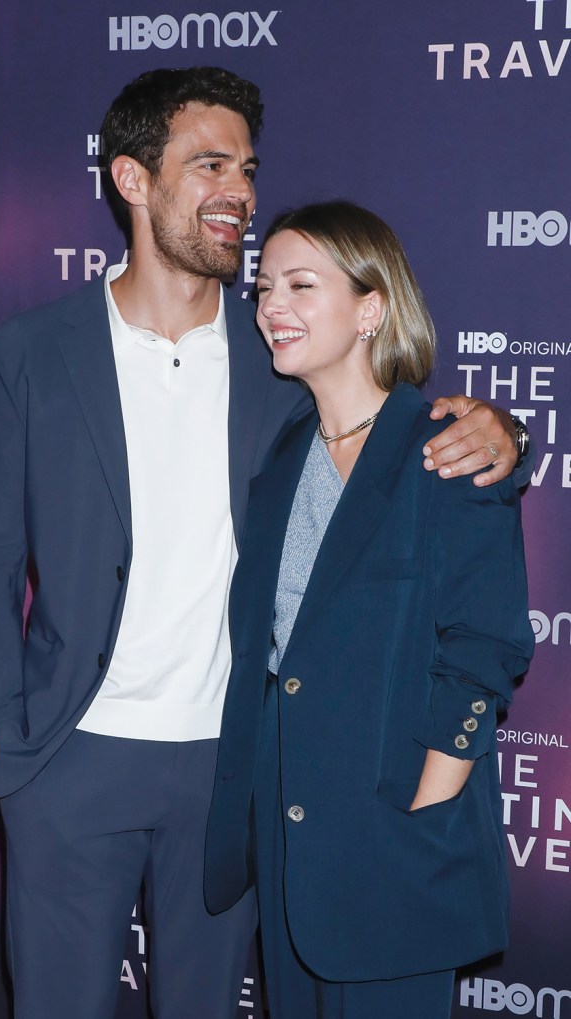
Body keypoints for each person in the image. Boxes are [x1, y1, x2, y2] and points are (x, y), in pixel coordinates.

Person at [0, 66, 528, 1019]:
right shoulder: (30, 354)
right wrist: (3, 744)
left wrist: (507, 436)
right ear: (132, 181)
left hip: (233, 770)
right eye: (209, 164)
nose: (240, 194)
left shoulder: (278, 362)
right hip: (68, 759)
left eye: (248, 169)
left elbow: (398, 425)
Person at [204, 200, 534, 1019]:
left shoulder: (446, 445)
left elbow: (484, 644)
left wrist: (427, 799)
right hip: (288, 822)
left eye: (301, 284)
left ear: (371, 308)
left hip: (394, 820)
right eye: (265, 285)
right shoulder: (284, 454)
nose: (271, 305)